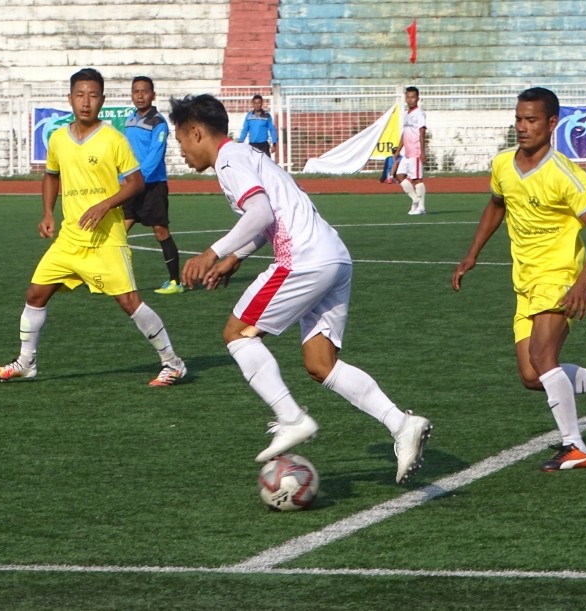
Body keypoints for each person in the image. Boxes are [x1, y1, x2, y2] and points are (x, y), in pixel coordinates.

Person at [170, 94, 431, 484]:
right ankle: (401, 424)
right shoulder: (247, 156)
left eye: (181, 142)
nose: (182, 152)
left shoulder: (228, 161)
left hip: (304, 259)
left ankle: (290, 417)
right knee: (320, 364)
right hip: (334, 257)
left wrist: (212, 252)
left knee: (237, 333)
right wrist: (237, 257)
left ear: (196, 132)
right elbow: (270, 216)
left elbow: (260, 213)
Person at [451, 87, 586, 472]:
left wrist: (583, 283)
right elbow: (496, 204)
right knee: (530, 375)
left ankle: (575, 447)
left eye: (532, 120)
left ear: (552, 123)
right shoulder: (503, 164)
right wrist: (472, 254)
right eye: (519, 119)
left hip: (559, 276)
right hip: (524, 281)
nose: (523, 127)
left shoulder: (564, 175)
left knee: (543, 358)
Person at [0, 68, 187, 387]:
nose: (86, 102)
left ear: (102, 101)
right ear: (70, 99)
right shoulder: (58, 139)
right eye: (80, 95)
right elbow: (51, 174)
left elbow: (135, 182)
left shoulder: (113, 139)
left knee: (129, 302)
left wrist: (105, 204)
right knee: (35, 294)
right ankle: (26, 362)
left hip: (106, 239)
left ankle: (173, 363)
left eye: (93, 96)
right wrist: (47, 213)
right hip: (69, 238)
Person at [123, 76, 183, 295]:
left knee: (160, 231)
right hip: (131, 184)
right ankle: (107, 279)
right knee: (119, 232)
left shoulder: (158, 123)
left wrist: (136, 179)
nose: (140, 95)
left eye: (144, 91)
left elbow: (154, 157)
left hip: (152, 186)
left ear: (153, 95)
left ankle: (175, 282)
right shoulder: (129, 121)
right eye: (135, 91)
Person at [390, 86, 428, 215]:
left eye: (413, 97)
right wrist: (398, 150)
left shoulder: (419, 113)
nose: (410, 100)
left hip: (415, 152)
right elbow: (404, 133)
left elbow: (422, 132)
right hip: (406, 153)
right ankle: (416, 200)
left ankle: (421, 207)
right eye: (408, 97)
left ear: (417, 98)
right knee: (399, 176)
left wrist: (423, 152)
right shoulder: (406, 114)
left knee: (417, 179)